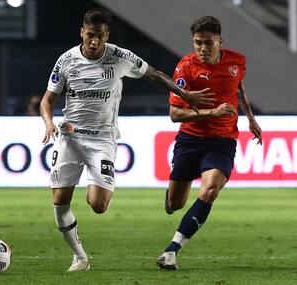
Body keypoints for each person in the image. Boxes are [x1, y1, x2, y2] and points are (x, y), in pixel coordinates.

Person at [40, 8, 214, 272]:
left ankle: (95, 186)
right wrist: (49, 122)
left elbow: (154, 74)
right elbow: (47, 100)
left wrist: (185, 95)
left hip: (102, 140)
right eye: (90, 35)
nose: (95, 41)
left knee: (98, 205)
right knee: (59, 200)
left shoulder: (120, 56)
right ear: (82, 33)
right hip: (70, 138)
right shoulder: (66, 61)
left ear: (106, 34)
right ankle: (80, 257)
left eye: (100, 36)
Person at [157, 15, 263, 270]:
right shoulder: (185, 68)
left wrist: (250, 118)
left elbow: (239, 89)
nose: (202, 49)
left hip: (222, 140)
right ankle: (171, 198)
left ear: (219, 41)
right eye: (197, 43)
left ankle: (172, 250)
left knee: (210, 190)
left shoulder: (237, 61)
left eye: (208, 43)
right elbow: (175, 114)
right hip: (190, 139)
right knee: (175, 204)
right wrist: (211, 113)